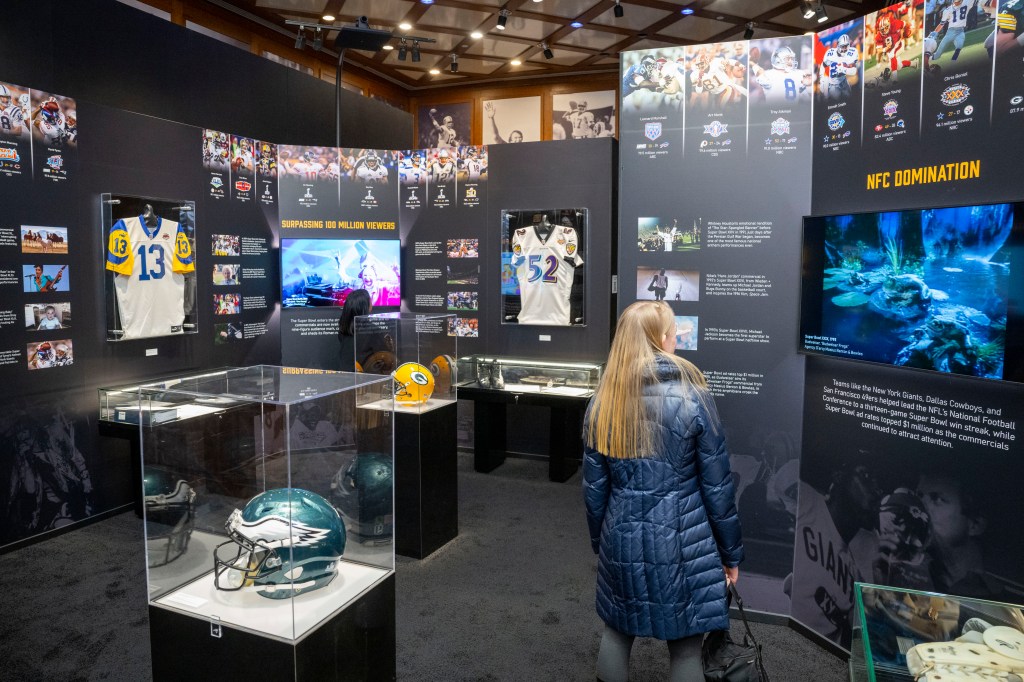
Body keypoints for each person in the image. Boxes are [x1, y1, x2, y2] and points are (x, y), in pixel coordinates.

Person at [583, 301, 743, 682]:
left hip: (620, 534)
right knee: (687, 642)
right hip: (684, 541)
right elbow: (718, 488)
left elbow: (593, 491)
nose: (676, 337)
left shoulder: (601, 402)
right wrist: (730, 554)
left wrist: (601, 541)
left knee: (617, 631)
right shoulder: (694, 397)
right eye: (672, 331)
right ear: (660, 339)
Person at [338, 288, 372, 372]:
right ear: (364, 307)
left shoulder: (343, 329)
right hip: (364, 379)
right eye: (370, 301)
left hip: (345, 376)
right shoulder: (373, 331)